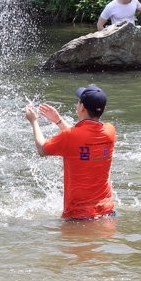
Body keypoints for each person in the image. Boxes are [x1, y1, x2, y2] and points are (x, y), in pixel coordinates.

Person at [24, 85, 116, 220]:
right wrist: (58, 120)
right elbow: (81, 138)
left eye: (78, 102)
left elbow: (42, 150)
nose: (76, 104)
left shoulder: (70, 136)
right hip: (107, 212)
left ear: (82, 107)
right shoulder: (110, 131)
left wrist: (34, 121)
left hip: (78, 215)